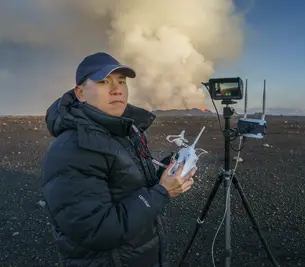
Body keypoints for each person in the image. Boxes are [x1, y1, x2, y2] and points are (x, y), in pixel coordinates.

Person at [40, 52, 197, 267]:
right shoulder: (74, 148)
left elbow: (127, 185)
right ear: (80, 93)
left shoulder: (121, 131)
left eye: (121, 81)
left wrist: (164, 172)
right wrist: (162, 192)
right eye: (104, 82)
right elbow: (96, 230)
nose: (117, 89)